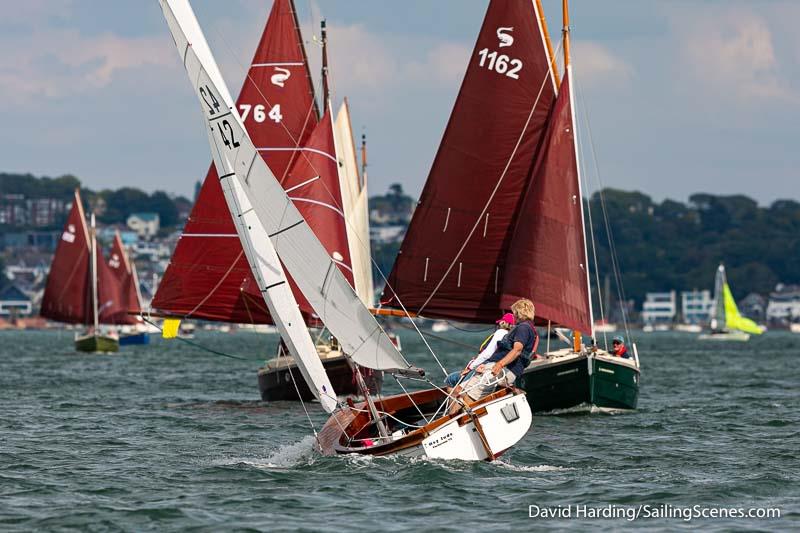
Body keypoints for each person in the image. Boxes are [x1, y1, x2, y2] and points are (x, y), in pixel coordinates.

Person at [450, 299, 539, 414]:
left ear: (519, 312)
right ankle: (463, 418)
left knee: (461, 393)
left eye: (515, 313)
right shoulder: (530, 328)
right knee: (463, 394)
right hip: (504, 370)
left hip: (500, 369)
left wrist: (499, 364)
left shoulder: (523, 328)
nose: (514, 316)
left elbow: (517, 350)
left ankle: (449, 423)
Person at [444, 313, 516, 391]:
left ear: (503, 323)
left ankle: (455, 401)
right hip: (497, 368)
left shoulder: (501, 332)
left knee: (450, 379)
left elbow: (487, 354)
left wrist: (470, 367)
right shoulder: (512, 337)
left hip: (485, 366)